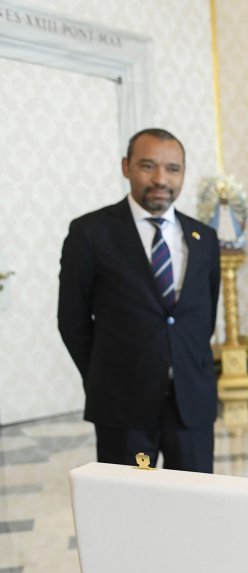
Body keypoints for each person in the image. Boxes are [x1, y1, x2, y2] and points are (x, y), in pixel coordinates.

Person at [58, 128, 221, 472]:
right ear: (126, 167)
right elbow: (72, 321)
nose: (161, 179)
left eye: (173, 169)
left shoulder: (204, 237)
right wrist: (103, 375)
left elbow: (203, 317)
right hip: (121, 404)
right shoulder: (90, 233)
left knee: (195, 499)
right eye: (148, 166)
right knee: (128, 501)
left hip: (191, 403)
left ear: (183, 173)